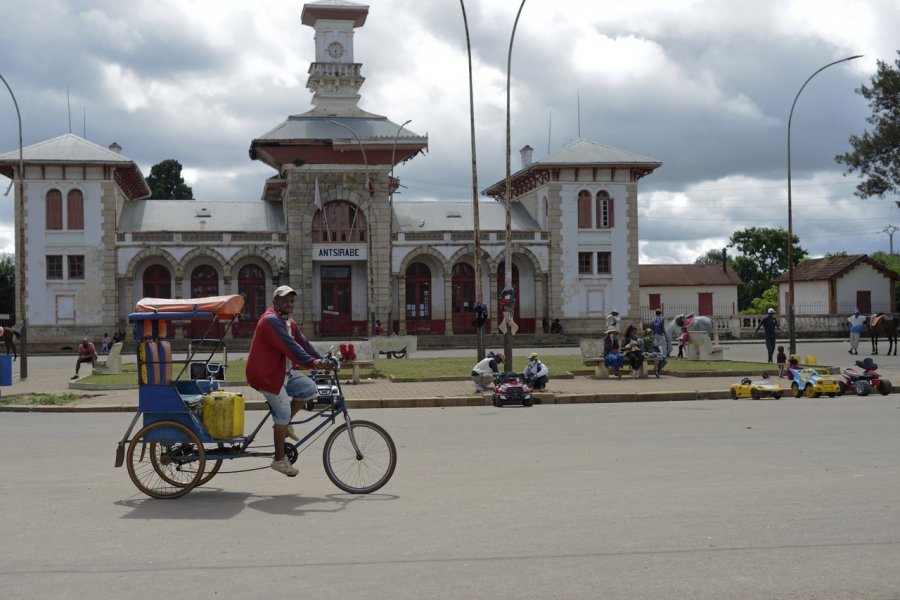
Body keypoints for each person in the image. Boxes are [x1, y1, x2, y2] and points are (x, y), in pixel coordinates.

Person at [246, 285, 324, 477]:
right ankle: (279, 459)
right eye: (285, 300)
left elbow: (303, 343)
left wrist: (321, 358)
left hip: (284, 372)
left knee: (309, 389)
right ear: (276, 302)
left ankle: (284, 425)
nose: (289, 304)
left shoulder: (288, 322)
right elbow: (290, 347)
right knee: (282, 412)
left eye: (292, 300)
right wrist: (312, 363)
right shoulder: (270, 320)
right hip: (267, 375)